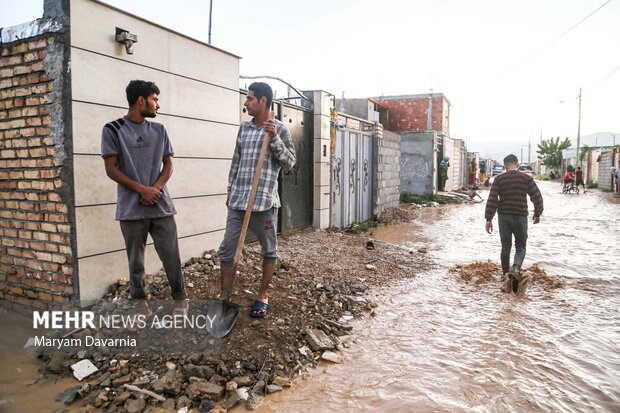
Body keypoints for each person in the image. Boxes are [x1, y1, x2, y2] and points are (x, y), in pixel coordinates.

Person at [101, 80, 187, 315]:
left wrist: (155, 189)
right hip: (131, 209)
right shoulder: (113, 129)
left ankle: (180, 301)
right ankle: (141, 307)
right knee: (136, 262)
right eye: (155, 99)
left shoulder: (159, 130)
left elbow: (169, 165)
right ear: (141, 100)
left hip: (161, 207)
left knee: (171, 257)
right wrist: (141, 190)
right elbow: (111, 168)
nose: (158, 104)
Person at [217, 82, 296, 318]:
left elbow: (290, 163)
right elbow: (236, 162)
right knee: (227, 250)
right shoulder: (244, 128)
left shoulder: (280, 129)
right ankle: (224, 295)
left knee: (269, 251)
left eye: (250, 98)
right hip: (238, 201)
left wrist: (274, 138)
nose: (246, 102)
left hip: (264, 203)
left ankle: (263, 294)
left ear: (263, 101)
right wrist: (230, 191)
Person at [485, 154, 543, 295]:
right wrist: (537, 213)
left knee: (506, 246)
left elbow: (492, 199)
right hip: (520, 216)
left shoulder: (499, 179)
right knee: (521, 246)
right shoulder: (526, 179)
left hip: (503, 216)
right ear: (517, 165)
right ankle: (516, 269)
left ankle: (506, 275)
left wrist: (488, 218)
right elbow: (536, 196)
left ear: (505, 166)